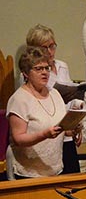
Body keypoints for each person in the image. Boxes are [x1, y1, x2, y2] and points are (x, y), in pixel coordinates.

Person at [25, 25, 81, 174]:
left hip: (66, 129)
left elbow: (70, 94)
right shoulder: (29, 73)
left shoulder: (62, 66)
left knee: (71, 176)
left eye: (52, 46)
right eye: (45, 48)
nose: (50, 52)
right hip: (47, 133)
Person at [6, 47, 67, 178]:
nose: (45, 72)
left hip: (54, 169)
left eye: (47, 68)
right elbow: (18, 138)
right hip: (29, 173)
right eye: (38, 69)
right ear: (26, 73)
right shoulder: (19, 99)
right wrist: (44, 134)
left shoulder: (54, 93)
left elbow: (61, 126)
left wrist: (73, 129)